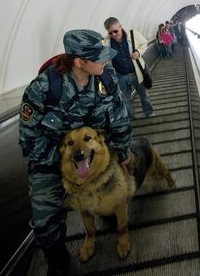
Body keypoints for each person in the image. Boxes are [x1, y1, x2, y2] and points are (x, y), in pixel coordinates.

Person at [19, 29, 133, 275]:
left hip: (96, 156)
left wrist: (124, 152)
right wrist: (66, 163)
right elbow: (28, 141)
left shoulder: (107, 79)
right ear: (80, 62)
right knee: (45, 224)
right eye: (99, 58)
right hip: (51, 161)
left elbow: (119, 119)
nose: (105, 61)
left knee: (111, 197)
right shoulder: (43, 89)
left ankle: (109, 220)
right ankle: (58, 262)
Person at [103, 17, 154, 118]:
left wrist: (138, 53)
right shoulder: (106, 42)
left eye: (115, 31)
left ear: (120, 27)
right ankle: (130, 117)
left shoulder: (132, 35)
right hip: (120, 76)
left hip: (136, 73)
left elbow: (144, 43)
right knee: (126, 99)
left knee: (144, 95)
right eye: (110, 33)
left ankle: (149, 112)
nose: (113, 35)